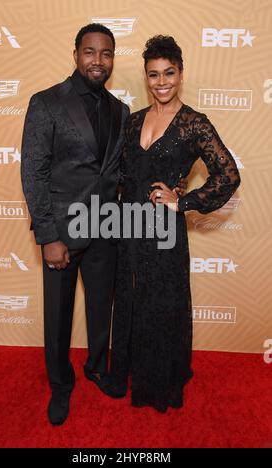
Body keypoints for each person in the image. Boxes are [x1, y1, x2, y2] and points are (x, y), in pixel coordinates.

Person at [21, 24, 188, 425]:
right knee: (58, 315)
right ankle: (61, 384)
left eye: (106, 53)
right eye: (90, 52)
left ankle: (97, 366)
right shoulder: (46, 103)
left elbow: (128, 169)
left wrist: (173, 179)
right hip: (61, 232)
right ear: (76, 54)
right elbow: (33, 171)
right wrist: (48, 235)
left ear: (113, 58)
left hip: (106, 228)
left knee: (102, 309)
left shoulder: (121, 111)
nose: (98, 60)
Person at [107, 35, 241, 413]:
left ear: (181, 74)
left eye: (169, 73)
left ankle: (160, 382)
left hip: (164, 230)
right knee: (130, 299)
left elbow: (228, 175)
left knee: (163, 304)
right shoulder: (133, 122)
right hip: (129, 226)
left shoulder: (194, 124)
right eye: (153, 74)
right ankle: (127, 371)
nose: (161, 82)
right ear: (145, 76)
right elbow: (121, 172)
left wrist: (182, 202)